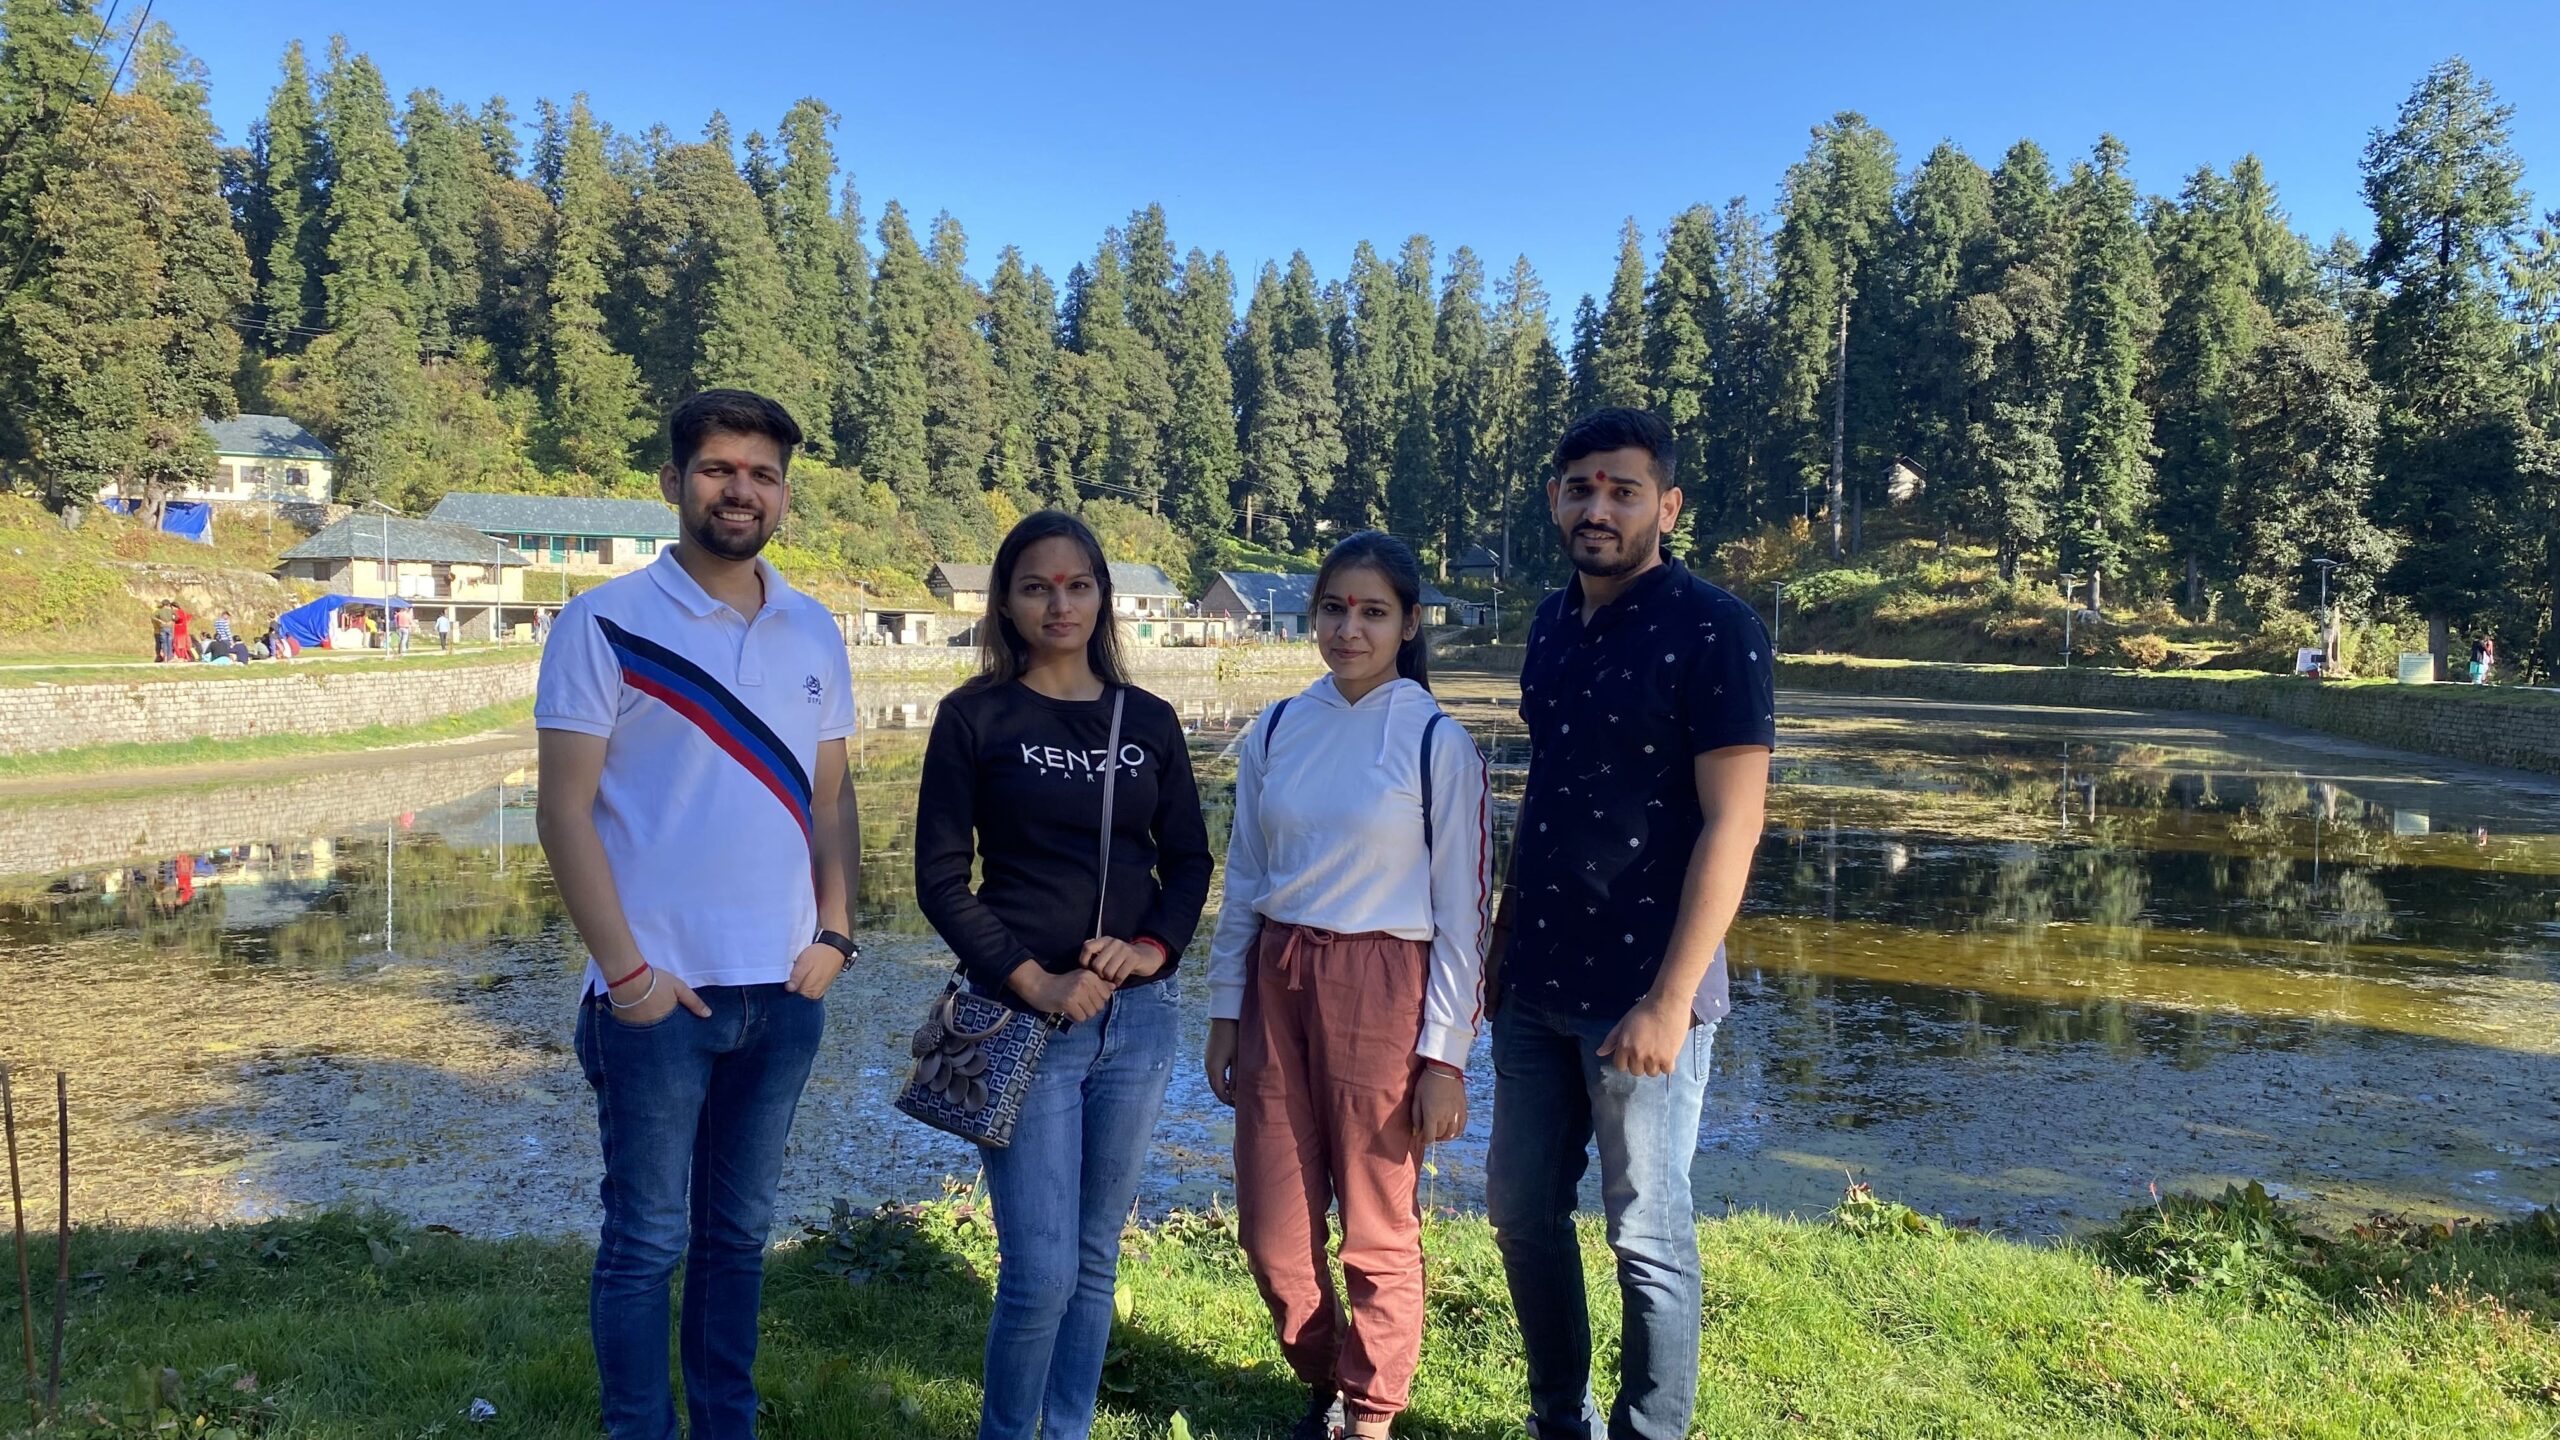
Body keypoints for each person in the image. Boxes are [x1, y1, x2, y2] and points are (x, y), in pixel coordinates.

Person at [534, 389, 861, 1440]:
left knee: (739, 1236)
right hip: (656, 1001)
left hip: (784, 992)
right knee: (646, 1241)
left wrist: (836, 932)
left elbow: (834, 795)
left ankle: (727, 1425)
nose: (742, 490)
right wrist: (625, 975)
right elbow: (563, 809)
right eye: (720, 470)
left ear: (782, 495)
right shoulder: (603, 623)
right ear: (674, 483)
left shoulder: (814, 628)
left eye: (763, 475)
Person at [1486, 408, 1773, 1440]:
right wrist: (1499, 938)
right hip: (1534, 982)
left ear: (1667, 505)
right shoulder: (1552, 620)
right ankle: (1556, 1419)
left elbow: (1734, 824)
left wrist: (1667, 997)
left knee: (1645, 1231)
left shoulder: (1715, 628)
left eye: (1621, 490)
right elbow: (1553, 794)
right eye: (1578, 489)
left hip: (1644, 995)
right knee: (1520, 1214)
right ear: (1554, 499)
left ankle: (1650, 1430)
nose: (1596, 507)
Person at [913, 509, 1213, 1440]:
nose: (1059, 603)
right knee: (1038, 1268)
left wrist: (1152, 950)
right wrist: (1030, 980)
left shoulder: (1149, 720)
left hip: (1138, 1023)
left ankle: (1069, 1426)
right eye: (1037, 586)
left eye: (1078, 585)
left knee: (1091, 1257)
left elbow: (1191, 863)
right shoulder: (976, 716)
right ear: (1004, 598)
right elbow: (937, 877)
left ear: (1103, 598)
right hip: (1025, 1021)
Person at [1204, 531, 1491, 1440]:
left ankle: (1368, 1415)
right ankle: (1327, 1373)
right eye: (1335, 608)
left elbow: (1464, 915)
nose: (1350, 629)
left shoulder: (1435, 742)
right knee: (1272, 1230)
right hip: (1277, 977)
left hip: (1384, 982)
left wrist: (1444, 1055)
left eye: (1373, 612)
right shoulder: (1280, 726)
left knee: (1375, 1223)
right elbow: (1245, 876)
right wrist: (1224, 1012)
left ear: (1410, 624)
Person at [154, 599, 177, 663]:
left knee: (164, 643)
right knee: (169, 643)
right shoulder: (171, 611)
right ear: (168, 604)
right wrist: (171, 621)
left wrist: (161, 621)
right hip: (169, 627)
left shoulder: (159, 611)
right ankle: (170, 658)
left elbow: (153, 617)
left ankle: (165, 657)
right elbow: (176, 618)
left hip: (163, 627)